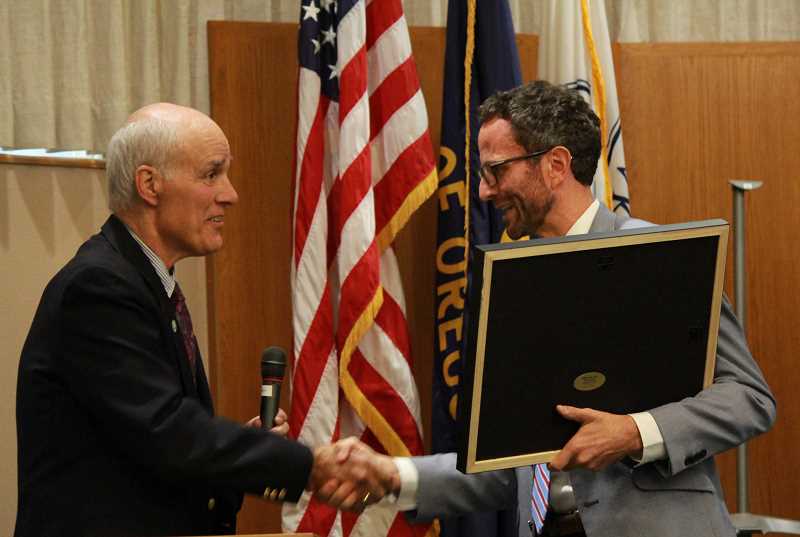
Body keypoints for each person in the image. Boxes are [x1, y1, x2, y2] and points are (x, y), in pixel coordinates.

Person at [330, 81, 777, 537]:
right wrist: (395, 475)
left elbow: (748, 397)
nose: (485, 192)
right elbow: (511, 463)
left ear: (556, 165)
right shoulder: (509, 287)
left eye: (496, 171)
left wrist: (634, 432)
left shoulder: (655, 257)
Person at [15, 103, 387, 537]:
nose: (230, 194)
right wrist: (307, 467)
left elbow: (157, 452)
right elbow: (169, 433)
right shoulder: (99, 288)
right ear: (150, 184)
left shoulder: (147, 283)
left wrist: (244, 453)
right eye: (211, 174)